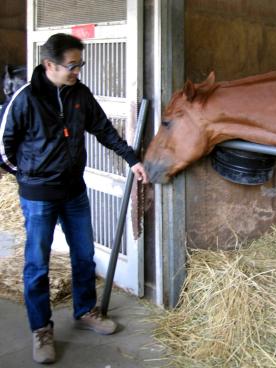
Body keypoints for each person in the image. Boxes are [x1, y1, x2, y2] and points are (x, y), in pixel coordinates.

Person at [0, 33, 149, 364]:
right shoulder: (24, 99)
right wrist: (27, 177)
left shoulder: (79, 93)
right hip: (38, 196)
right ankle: (41, 329)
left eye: (80, 64)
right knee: (37, 264)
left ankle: (85, 311)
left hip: (74, 191)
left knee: (84, 255)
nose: (78, 71)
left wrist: (132, 158)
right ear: (49, 64)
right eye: (73, 65)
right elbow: (3, 147)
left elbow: (103, 129)